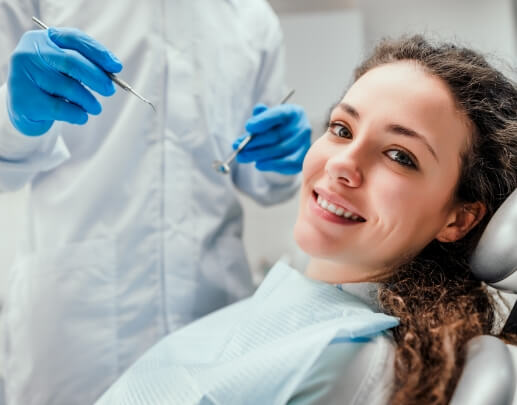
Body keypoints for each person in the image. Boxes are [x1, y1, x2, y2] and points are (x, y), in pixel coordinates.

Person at [94, 35, 517, 405]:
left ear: (459, 220)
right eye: (341, 129)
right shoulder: (298, 310)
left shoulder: (342, 359)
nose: (342, 165)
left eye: (399, 156)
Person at [0, 1, 312, 404]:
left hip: (214, 313)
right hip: (76, 335)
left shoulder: (253, 17)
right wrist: (13, 112)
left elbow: (262, 181)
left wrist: (282, 156)